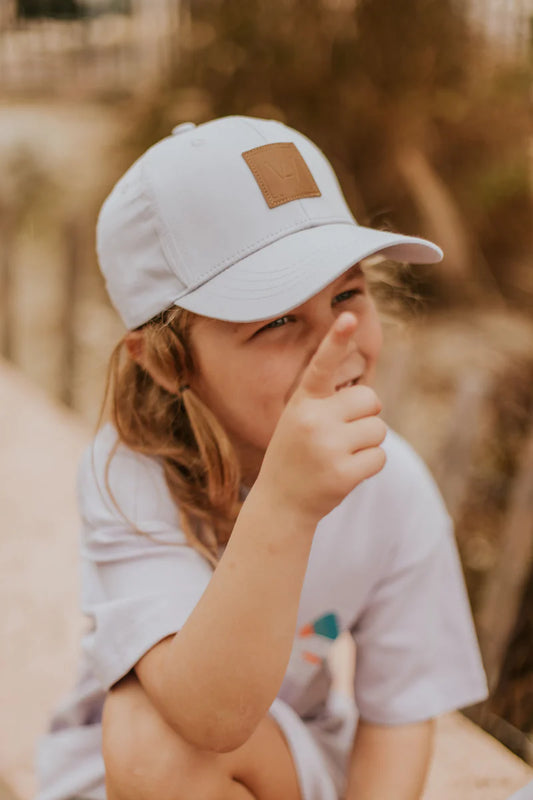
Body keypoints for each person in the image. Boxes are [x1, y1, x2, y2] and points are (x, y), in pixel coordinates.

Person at [34, 115, 489, 800]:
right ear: (163, 360)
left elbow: (398, 716)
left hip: (288, 766)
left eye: (347, 294)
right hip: (127, 775)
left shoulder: (391, 485)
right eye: (275, 319)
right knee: (153, 741)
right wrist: (285, 503)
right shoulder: (130, 477)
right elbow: (207, 716)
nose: (337, 340)